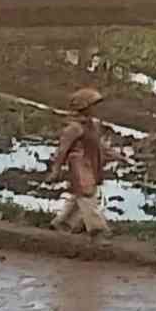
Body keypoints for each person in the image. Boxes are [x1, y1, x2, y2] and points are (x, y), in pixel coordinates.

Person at [51, 86, 114, 236]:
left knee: (80, 196)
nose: (96, 109)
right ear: (84, 107)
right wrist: (56, 169)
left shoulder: (92, 126)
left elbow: (99, 145)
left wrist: (118, 156)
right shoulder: (74, 128)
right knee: (87, 196)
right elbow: (62, 150)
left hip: (91, 164)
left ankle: (63, 223)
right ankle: (97, 228)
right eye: (93, 105)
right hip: (79, 166)